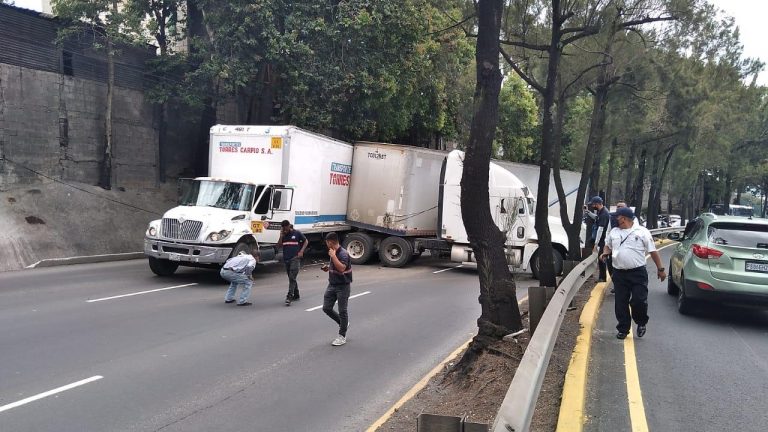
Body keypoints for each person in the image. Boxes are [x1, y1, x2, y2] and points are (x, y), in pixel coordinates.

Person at [600, 207, 666, 340]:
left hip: (637, 273)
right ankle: (623, 328)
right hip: (619, 273)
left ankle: (641, 322)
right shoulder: (614, 232)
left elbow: (653, 251)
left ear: (623, 218)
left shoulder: (642, 232)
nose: (614, 219)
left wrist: (661, 269)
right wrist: (605, 252)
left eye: (617, 216)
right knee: (621, 302)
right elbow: (608, 245)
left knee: (639, 300)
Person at [321, 232, 353, 346]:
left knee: (342, 310)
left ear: (330, 242)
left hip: (343, 286)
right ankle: (343, 323)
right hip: (332, 285)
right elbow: (334, 266)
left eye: (326, 243)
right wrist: (327, 268)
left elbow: (341, 268)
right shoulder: (332, 252)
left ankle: (342, 336)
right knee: (326, 308)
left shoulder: (343, 254)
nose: (326, 245)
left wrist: (333, 256)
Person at [279, 220, 308, 306]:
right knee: (291, 278)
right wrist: (281, 236)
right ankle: (296, 294)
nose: (285, 230)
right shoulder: (283, 235)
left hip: (295, 258)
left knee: (292, 277)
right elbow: (279, 245)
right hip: (286, 259)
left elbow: (306, 241)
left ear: (289, 226)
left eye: (286, 228)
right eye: (283, 229)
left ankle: (289, 296)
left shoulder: (297, 233)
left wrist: (301, 251)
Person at [587, 196, 610, 282]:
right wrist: (587, 212)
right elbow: (596, 217)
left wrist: (596, 244)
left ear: (597, 204)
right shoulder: (601, 212)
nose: (593, 206)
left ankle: (602, 277)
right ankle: (602, 277)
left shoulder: (604, 214)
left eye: (593, 204)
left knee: (602, 258)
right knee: (601, 258)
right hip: (602, 240)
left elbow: (600, 229)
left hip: (603, 240)